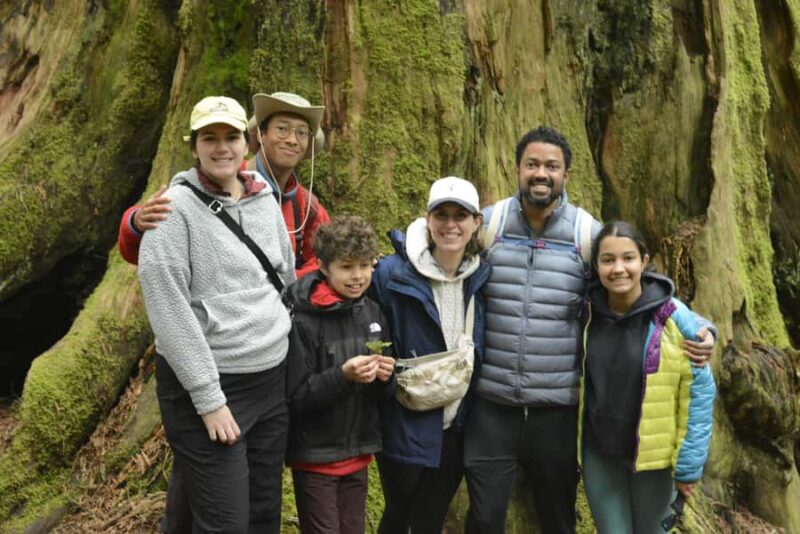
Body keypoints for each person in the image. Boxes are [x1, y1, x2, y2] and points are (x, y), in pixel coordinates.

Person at [464, 126, 717, 533]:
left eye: (552, 166)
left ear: (566, 174)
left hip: (557, 410)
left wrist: (701, 327)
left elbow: (636, 286)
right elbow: (443, 255)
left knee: (558, 519)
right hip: (491, 404)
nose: (541, 173)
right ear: (517, 169)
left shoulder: (585, 235)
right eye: (532, 164)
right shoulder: (489, 225)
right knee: (484, 518)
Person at [115, 91, 329, 533]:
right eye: (208, 138)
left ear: (246, 144)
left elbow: (284, 273)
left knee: (263, 514)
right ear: (194, 147)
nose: (221, 147)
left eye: (230, 137)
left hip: (270, 381)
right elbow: (169, 313)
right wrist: (209, 400)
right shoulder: (170, 213)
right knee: (226, 523)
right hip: (211, 384)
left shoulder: (265, 199)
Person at [370, 177, 491, 534]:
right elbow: (372, 332)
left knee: (430, 518)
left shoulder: (482, 276)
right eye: (442, 215)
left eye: (460, 216)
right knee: (398, 514)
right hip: (404, 418)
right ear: (427, 218)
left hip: (457, 422)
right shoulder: (392, 273)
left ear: (476, 222)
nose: (450, 225)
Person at [579, 221, 716, 533]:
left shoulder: (672, 316)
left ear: (644, 261)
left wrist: (689, 466)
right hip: (600, 455)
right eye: (608, 260)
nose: (618, 269)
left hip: (655, 462)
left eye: (628, 258)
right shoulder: (586, 314)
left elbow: (699, 392)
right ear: (596, 266)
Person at [118, 91, 329, 278]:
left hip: (275, 306)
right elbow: (146, 249)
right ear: (260, 135)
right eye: (282, 129)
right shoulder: (222, 177)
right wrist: (135, 223)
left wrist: (288, 286)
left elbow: (329, 258)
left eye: (302, 132)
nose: (292, 139)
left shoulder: (306, 206)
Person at [285, 215, 396, 534]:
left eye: (364, 265)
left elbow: (384, 393)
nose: (357, 276)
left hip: (358, 453)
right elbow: (297, 396)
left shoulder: (372, 313)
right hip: (315, 458)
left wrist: (386, 376)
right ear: (323, 266)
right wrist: (343, 376)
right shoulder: (303, 319)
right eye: (347, 267)